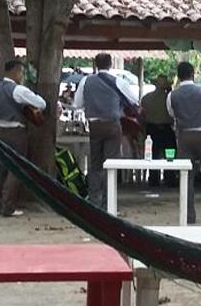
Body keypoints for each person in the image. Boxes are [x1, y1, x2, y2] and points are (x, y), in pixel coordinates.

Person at [73, 53, 139, 208]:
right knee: (111, 164)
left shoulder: (86, 81)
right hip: (112, 125)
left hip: (94, 125)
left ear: (96, 65)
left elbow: (77, 104)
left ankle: (93, 200)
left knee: (95, 164)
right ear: (110, 64)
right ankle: (108, 202)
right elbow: (134, 100)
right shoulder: (118, 81)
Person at [0, 59, 47, 217]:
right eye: (21, 72)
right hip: (16, 132)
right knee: (16, 169)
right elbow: (41, 104)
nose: (21, 76)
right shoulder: (18, 90)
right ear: (15, 71)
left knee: (2, 168)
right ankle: (8, 206)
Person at [167, 61, 201, 223]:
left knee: (186, 175)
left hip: (184, 136)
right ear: (193, 74)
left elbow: (172, 113)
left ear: (178, 76)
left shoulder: (172, 95)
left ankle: (189, 215)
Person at [141, 75, 177, 187]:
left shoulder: (146, 98)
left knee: (152, 154)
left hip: (151, 129)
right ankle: (170, 178)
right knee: (170, 154)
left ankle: (153, 178)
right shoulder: (170, 98)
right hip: (166, 129)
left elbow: (143, 114)